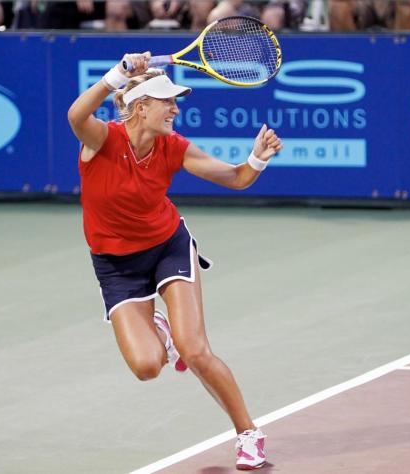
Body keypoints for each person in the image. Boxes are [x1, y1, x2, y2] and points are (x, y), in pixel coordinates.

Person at [67, 52, 282, 470]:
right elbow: (77, 114)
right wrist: (118, 74)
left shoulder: (174, 147)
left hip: (167, 246)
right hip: (116, 265)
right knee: (147, 367)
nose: (175, 108)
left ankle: (248, 434)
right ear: (140, 106)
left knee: (195, 348)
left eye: (175, 101)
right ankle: (158, 330)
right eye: (167, 101)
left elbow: (237, 178)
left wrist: (256, 158)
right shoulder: (102, 141)